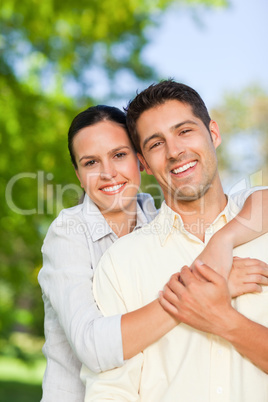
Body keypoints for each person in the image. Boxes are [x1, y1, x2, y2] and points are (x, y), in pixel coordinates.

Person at [81, 81, 268, 402]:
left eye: (184, 131)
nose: (175, 151)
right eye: (156, 144)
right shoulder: (122, 262)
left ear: (214, 133)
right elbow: (111, 391)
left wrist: (223, 321)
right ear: (143, 163)